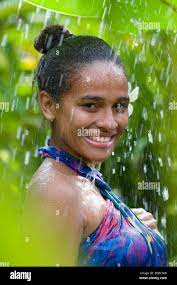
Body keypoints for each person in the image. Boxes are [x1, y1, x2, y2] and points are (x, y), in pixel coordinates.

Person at [25, 25, 167, 266]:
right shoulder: (55, 192)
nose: (110, 123)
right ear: (49, 105)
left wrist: (128, 231)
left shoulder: (77, 177)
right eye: (91, 105)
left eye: (120, 106)